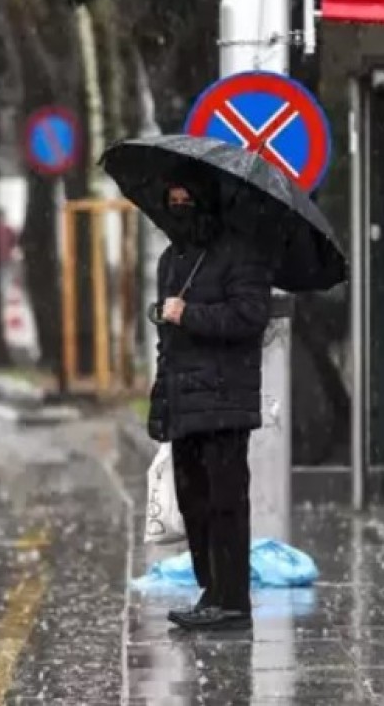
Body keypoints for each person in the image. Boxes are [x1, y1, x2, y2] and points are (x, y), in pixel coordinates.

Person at [147, 167, 271, 631]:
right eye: (172, 202)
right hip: (184, 403)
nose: (179, 210)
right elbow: (167, 340)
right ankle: (211, 592)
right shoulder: (171, 259)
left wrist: (190, 314)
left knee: (225, 503)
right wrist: (162, 396)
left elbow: (250, 316)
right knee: (193, 502)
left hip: (224, 401)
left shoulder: (241, 253)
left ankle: (233, 601)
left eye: (188, 202)